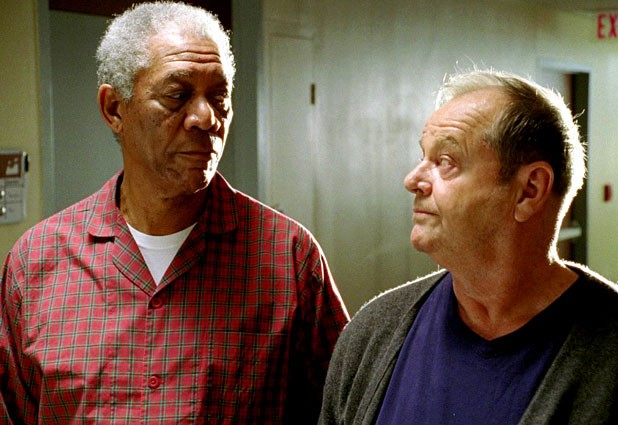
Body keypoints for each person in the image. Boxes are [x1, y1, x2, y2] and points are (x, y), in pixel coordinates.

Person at [0, 2, 349, 423]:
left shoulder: (287, 258)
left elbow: (344, 408)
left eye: (219, 96)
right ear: (114, 109)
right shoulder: (37, 263)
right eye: (177, 95)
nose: (206, 118)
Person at [319, 69, 618, 425]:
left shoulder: (607, 353)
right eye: (423, 157)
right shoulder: (373, 333)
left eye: (446, 162)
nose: (412, 180)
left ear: (529, 191)